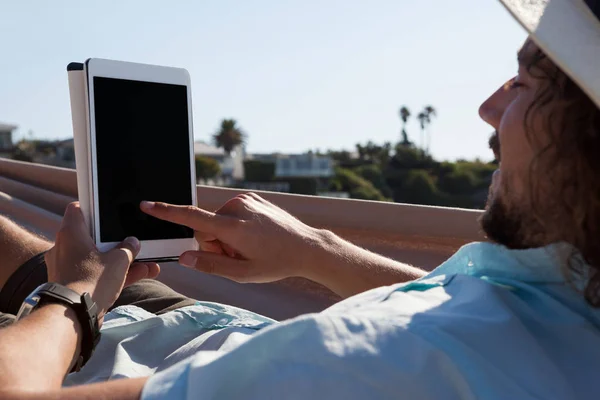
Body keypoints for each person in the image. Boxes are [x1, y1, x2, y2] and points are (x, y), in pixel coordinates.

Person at [1, 0, 600, 398]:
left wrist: (72, 296)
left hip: (92, 354)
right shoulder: (577, 299)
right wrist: (317, 252)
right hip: (202, 329)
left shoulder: (359, 362)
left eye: (525, 83)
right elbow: (489, 313)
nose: (489, 109)